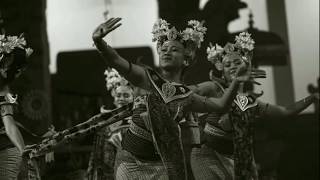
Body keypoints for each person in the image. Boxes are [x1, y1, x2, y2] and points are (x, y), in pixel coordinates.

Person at [92, 18, 264, 180]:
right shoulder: (147, 78)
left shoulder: (186, 96)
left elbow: (220, 105)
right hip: (130, 162)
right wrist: (100, 42)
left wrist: (236, 81)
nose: (167, 52)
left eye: (174, 49)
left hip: (161, 166)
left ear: (186, 59)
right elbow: (116, 61)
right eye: (164, 49)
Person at [190, 32, 319, 180]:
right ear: (222, 69)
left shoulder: (250, 101)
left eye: (237, 63)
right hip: (206, 155)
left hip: (235, 159)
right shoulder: (213, 88)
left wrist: (312, 97)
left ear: (246, 65)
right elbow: (187, 92)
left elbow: (285, 112)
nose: (233, 67)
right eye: (227, 64)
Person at [87, 68, 134, 180]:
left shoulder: (141, 122)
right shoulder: (105, 124)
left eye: (126, 95)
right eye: (118, 95)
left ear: (133, 97)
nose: (121, 99)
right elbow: (96, 157)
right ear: (114, 98)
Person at [0, 33, 33, 179]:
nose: (19, 74)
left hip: (5, 155)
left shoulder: (4, 92)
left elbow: (10, 127)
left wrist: (24, 153)